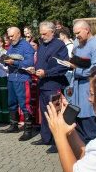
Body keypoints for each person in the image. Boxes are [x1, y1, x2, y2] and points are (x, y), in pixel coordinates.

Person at [30, 21, 70, 152]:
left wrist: (46, 73)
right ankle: (46, 138)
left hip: (54, 84)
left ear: (52, 32)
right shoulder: (42, 45)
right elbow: (41, 63)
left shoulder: (59, 45)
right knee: (45, 112)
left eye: (44, 34)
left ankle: (57, 142)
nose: (41, 36)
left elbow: (64, 66)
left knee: (56, 114)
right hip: (42, 85)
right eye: (41, 34)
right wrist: (33, 69)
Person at [70, 20, 96, 144]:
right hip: (77, 92)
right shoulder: (78, 44)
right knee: (80, 129)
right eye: (75, 34)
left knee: (92, 130)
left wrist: (78, 70)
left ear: (87, 29)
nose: (76, 36)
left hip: (88, 91)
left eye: (78, 33)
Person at [0, 27, 35, 139]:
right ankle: (13, 125)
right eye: (9, 36)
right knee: (11, 103)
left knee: (25, 104)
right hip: (12, 78)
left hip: (22, 78)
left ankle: (28, 130)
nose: (10, 38)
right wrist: (4, 61)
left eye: (12, 36)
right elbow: (8, 59)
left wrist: (14, 62)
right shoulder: (11, 46)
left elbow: (29, 62)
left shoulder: (26, 46)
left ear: (19, 34)